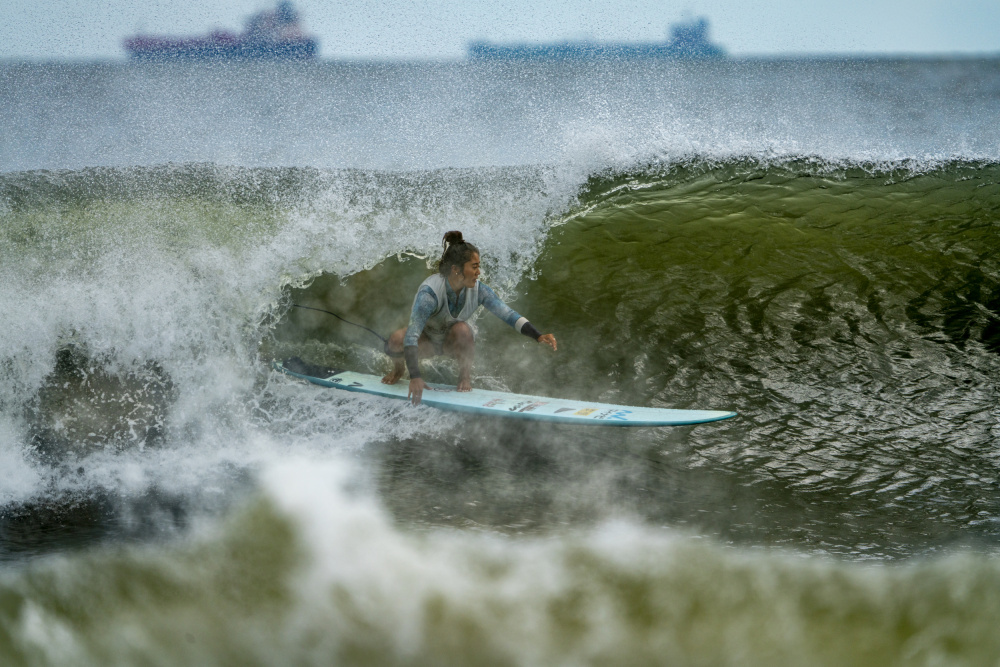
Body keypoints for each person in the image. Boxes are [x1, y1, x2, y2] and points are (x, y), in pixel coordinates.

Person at [382, 231, 557, 405]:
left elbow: (509, 315)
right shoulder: (429, 294)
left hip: (452, 343)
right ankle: (399, 370)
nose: (478, 272)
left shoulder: (479, 290)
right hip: (425, 341)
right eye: (474, 267)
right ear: (456, 269)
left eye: (478, 266)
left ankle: (464, 375)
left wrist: (538, 335)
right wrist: (415, 376)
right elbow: (412, 335)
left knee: (463, 329)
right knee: (396, 339)